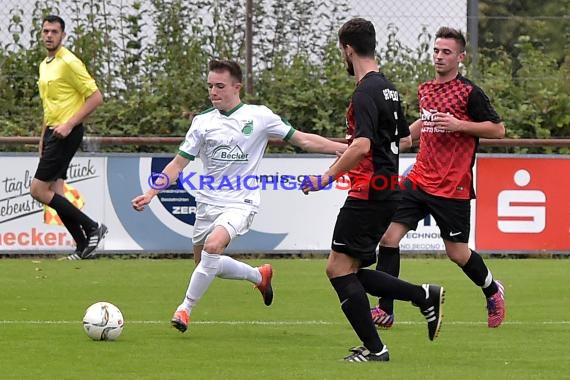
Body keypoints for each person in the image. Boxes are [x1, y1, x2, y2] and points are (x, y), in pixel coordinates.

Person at [131, 59, 348, 333]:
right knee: (206, 264)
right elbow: (178, 163)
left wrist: (340, 148)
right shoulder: (202, 123)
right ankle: (259, 275)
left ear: (237, 87)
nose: (213, 92)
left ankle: (184, 309)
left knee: (212, 248)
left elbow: (302, 139)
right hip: (207, 204)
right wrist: (151, 192)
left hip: (240, 202)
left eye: (220, 86)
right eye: (210, 86)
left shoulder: (259, 117)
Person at [302, 18, 444, 362]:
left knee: (337, 270)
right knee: (351, 270)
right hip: (385, 189)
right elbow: (405, 139)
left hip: (368, 192)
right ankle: (423, 295)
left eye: (341, 51)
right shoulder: (389, 89)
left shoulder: (365, 91)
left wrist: (325, 178)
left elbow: (362, 145)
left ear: (348, 49)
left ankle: (377, 349)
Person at [371, 26, 506, 330]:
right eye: (436, 50)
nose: (439, 56)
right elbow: (425, 120)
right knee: (388, 238)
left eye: (446, 52)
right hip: (418, 179)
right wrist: (401, 139)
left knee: (456, 253)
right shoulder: (426, 89)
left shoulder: (468, 92)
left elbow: (498, 130)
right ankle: (385, 310)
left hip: (452, 186)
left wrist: (460, 124)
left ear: (461, 56)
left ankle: (492, 290)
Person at [30, 15, 107, 260]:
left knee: (38, 190)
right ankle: (83, 246)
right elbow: (49, 105)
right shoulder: (45, 65)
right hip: (53, 132)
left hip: (67, 132)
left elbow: (96, 97)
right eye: (45, 31)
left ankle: (93, 227)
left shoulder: (69, 62)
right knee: (56, 191)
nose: (49, 35)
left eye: (54, 31)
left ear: (63, 35)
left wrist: (69, 124)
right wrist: (43, 137)